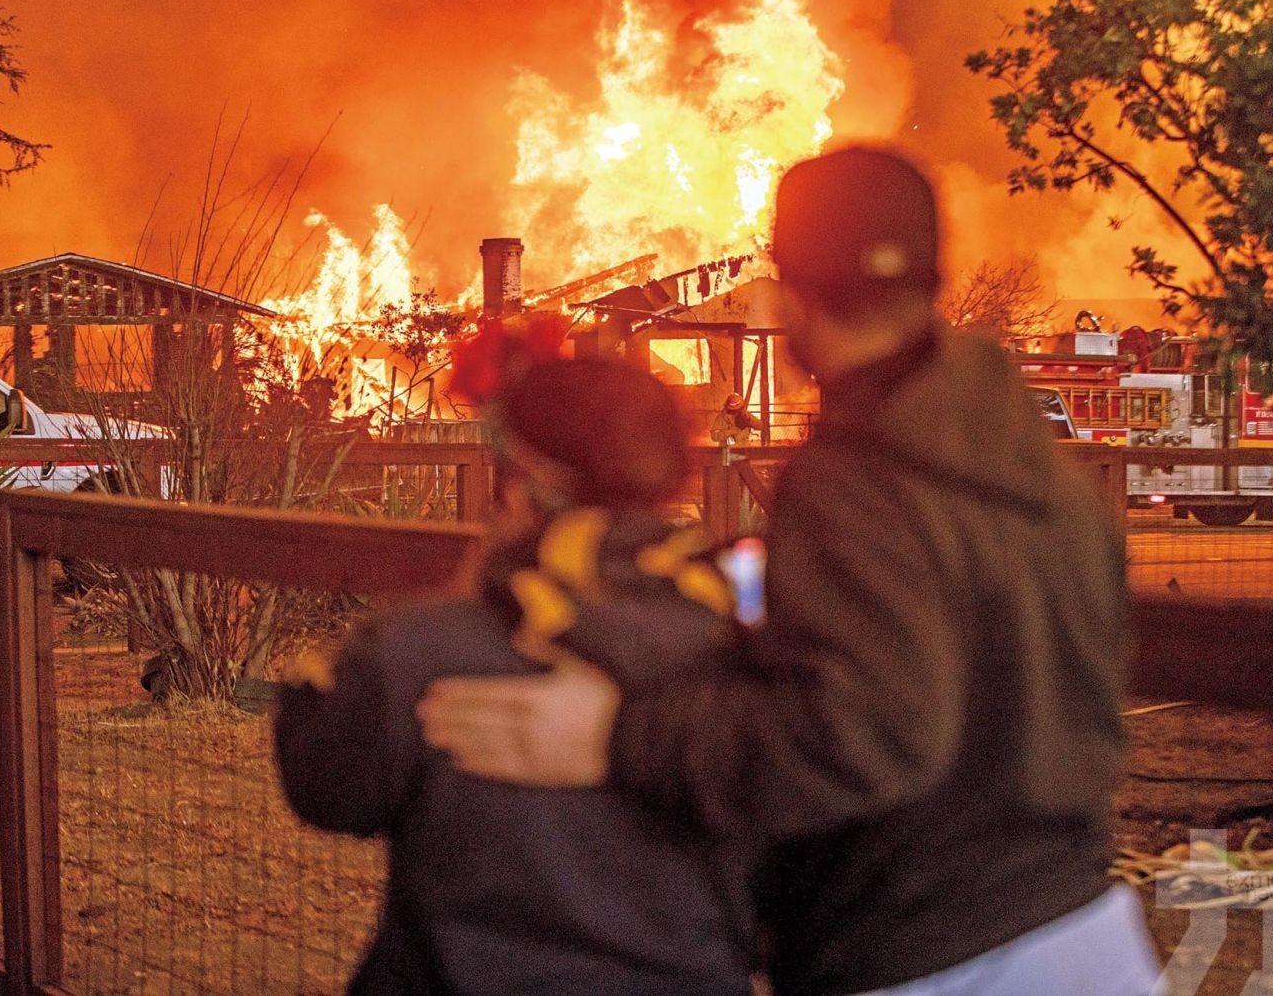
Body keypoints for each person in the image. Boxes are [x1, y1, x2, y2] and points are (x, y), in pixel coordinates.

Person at [417, 147, 1163, 995]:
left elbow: (861, 729)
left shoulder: (856, 478)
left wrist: (615, 736)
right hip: (1091, 939)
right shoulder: (1039, 468)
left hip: (929, 955)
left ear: (792, 291)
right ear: (934, 276)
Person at [274, 348, 755, 995]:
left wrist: (308, 686)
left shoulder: (418, 651)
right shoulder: (745, 653)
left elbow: (330, 790)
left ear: (516, 487)